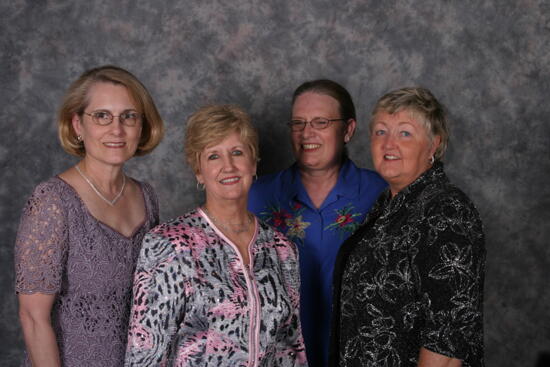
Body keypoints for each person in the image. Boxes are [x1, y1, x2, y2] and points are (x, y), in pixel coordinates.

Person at [125, 105, 307, 366]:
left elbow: (291, 348)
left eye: (237, 152)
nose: (228, 166)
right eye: (213, 156)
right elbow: (145, 354)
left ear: (254, 163)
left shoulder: (282, 249)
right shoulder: (169, 244)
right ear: (199, 171)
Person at [14, 65, 164, 366]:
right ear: (77, 125)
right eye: (102, 116)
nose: (117, 129)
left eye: (129, 116)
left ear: (142, 126)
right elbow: (33, 318)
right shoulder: (52, 202)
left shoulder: (147, 197)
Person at [329, 87, 485, 367]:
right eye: (380, 132)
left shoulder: (446, 209)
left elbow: (448, 338)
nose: (389, 144)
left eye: (405, 133)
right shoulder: (386, 206)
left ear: (433, 145)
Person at [248, 80, 387, 366]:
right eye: (298, 123)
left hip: (359, 354)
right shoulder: (256, 195)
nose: (306, 133)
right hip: (277, 355)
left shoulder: (381, 193)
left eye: (320, 122)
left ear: (348, 129)